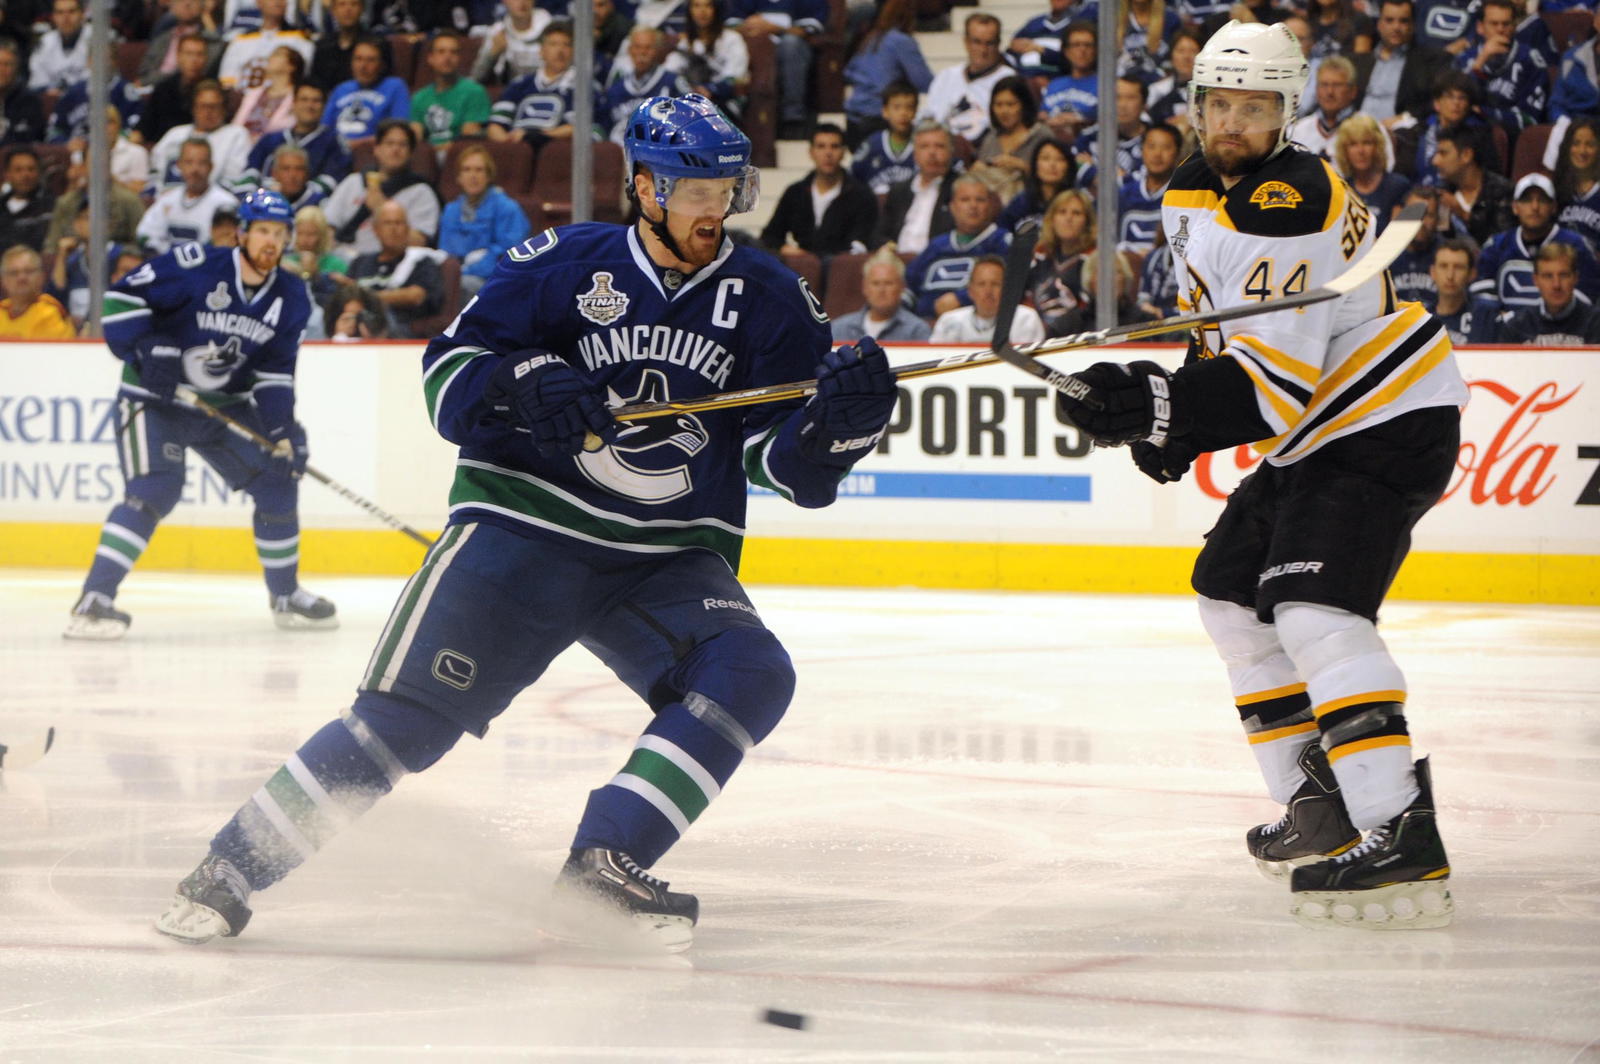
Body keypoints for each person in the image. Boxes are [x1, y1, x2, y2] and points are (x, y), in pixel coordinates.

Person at [153, 94, 899, 953]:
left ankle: (605, 862)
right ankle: (230, 867)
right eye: (699, 189)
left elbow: (782, 467)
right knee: (405, 723)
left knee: (751, 673)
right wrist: (518, 384)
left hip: (661, 559)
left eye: (730, 187)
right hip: (522, 530)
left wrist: (838, 429)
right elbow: (448, 378)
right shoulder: (564, 263)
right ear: (648, 188)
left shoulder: (773, 299)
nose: (719, 207)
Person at [1052, 20, 1463, 930]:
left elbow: (1271, 390)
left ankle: (1399, 827)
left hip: (1385, 421)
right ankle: (1319, 809)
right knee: (1231, 597)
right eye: (1219, 104)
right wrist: (1166, 423)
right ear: (1197, 108)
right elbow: (1223, 332)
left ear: (1286, 112)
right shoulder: (1194, 185)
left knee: (1315, 608)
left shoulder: (1289, 196)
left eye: (1255, 106)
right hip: (1319, 429)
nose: (1233, 121)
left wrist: (1158, 404)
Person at [65, 189, 336, 641]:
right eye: (263, 231)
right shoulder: (194, 266)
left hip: (222, 406)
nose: (271, 241)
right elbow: (118, 302)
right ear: (242, 234)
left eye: (279, 233)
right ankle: (95, 599)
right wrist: (148, 348)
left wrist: (281, 431)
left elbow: (274, 374)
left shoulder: (291, 296)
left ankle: (285, 595)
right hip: (153, 401)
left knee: (276, 478)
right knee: (155, 489)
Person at [1468, 172, 1600, 335]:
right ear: (1515, 207)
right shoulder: (1496, 246)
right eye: (1527, 200)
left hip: (1563, 333)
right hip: (1507, 334)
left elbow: (1586, 299)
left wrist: (1537, 322)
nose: (1535, 207)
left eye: (1542, 200)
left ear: (1553, 207)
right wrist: (1510, 322)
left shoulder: (1577, 245)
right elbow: (1482, 296)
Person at [322, 119, 441, 257]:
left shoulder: (421, 192)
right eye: (389, 143)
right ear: (377, 149)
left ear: (411, 153)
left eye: (402, 145)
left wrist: (380, 208)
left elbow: (419, 242)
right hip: (342, 258)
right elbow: (327, 227)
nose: (395, 149)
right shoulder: (353, 182)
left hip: (390, 262)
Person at [760, 123, 877, 260]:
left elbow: (862, 242)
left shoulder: (861, 195)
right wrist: (787, 249)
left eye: (834, 146)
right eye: (821, 146)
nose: (828, 153)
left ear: (843, 152)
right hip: (801, 268)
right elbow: (770, 236)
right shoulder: (795, 192)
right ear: (811, 152)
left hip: (841, 267)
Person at [904, 174, 1011, 320]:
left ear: (990, 206)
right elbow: (909, 283)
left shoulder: (1002, 242)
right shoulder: (937, 245)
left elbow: (1012, 286)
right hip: (924, 325)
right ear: (952, 207)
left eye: (980, 200)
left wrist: (961, 299)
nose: (973, 206)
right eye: (965, 199)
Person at [233, 81, 351, 206]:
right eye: (304, 100)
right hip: (263, 204)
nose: (309, 106)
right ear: (293, 103)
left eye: (316, 101)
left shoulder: (334, 143)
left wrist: (292, 201)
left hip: (307, 210)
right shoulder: (270, 139)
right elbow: (250, 174)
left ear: (324, 106)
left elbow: (329, 182)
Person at [437, 145, 531, 299]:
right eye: (467, 170)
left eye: (479, 170)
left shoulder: (508, 208)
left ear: (489, 176)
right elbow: (445, 253)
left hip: (495, 282)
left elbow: (511, 256)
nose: (473, 175)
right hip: (457, 276)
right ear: (458, 177)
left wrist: (467, 269)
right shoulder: (450, 210)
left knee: (461, 285)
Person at [343, 200, 445, 337]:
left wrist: (365, 296)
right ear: (375, 229)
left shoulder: (421, 261)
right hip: (355, 329)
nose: (393, 229)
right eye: (387, 223)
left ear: (408, 229)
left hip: (400, 332)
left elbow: (416, 296)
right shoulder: (360, 262)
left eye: (399, 223)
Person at [727, 0, 828, 140]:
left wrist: (774, 28)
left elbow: (809, 28)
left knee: (790, 45)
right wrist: (749, 28)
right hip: (753, 41)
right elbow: (730, 23)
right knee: (736, 45)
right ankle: (735, 112)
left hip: (793, 46)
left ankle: (793, 118)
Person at [841, 0, 931, 149]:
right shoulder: (902, 41)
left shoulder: (870, 40)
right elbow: (924, 82)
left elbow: (848, 73)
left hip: (852, 122)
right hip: (879, 121)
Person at [1454, 0, 1547, 138]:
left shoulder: (1531, 60)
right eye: (1494, 23)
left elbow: (1530, 118)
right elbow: (1454, 103)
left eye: (1506, 24)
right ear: (1480, 27)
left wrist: (1486, 113)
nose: (1500, 29)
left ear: (1514, 26)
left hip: (1512, 137)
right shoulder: (1465, 59)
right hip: (1467, 134)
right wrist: (1480, 62)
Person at [1351, 0, 1450, 129]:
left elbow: (1438, 100)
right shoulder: (1361, 61)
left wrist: (1405, 117)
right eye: (1389, 20)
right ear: (1379, 24)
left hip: (1400, 133)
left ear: (1413, 25)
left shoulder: (1430, 61)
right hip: (1356, 131)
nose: (1396, 27)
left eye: (1403, 21)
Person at [490, 21, 586, 150]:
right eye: (553, 44)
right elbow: (495, 125)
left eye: (566, 45)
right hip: (517, 149)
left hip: (553, 152)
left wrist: (535, 137)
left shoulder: (581, 86)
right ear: (541, 51)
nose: (560, 50)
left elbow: (577, 128)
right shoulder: (520, 84)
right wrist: (509, 145)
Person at [918, 12, 1010, 147]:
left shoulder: (1008, 80)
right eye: (976, 42)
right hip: (942, 149)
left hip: (985, 150)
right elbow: (929, 118)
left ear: (998, 44)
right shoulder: (946, 77)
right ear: (966, 42)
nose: (982, 50)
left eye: (989, 43)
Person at [137, 138, 241, 255]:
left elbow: (226, 245)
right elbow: (145, 233)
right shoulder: (167, 199)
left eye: (201, 163)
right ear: (179, 165)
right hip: (167, 266)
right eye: (189, 162)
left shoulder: (226, 204)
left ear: (211, 166)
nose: (195, 169)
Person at [148, 81, 254, 191]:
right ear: (194, 108)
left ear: (224, 109)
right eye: (203, 106)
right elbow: (155, 171)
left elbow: (233, 178)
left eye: (213, 106)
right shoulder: (175, 134)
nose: (208, 112)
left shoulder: (236, 134)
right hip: (168, 198)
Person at [872, 119, 959, 255]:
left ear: (951, 151)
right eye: (924, 146)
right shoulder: (899, 190)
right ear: (915, 154)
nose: (932, 153)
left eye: (940, 146)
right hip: (897, 261)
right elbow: (879, 235)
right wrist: (888, 246)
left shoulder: (959, 188)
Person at [1494, 241, 1600, 344]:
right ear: (1536, 280)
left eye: (1563, 275)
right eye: (1548, 276)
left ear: (1575, 278)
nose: (1556, 285)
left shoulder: (1596, 323)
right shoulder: (1516, 327)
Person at [600, 26, 692, 143]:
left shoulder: (673, 82)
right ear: (629, 50)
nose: (642, 53)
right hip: (620, 154)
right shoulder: (615, 89)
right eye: (637, 47)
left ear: (658, 50)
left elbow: (690, 117)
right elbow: (603, 126)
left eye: (648, 48)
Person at [929, 254, 1046, 344]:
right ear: (970, 291)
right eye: (981, 284)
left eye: (995, 284)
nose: (988, 291)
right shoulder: (949, 321)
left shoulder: (1025, 319)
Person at [969, 75, 1051, 205]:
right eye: (998, 105)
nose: (1004, 111)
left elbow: (1056, 177)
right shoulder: (990, 138)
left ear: (1024, 105)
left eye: (1011, 104)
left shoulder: (1042, 135)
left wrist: (1024, 167)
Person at [410, 30, 492, 156]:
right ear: (430, 58)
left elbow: (468, 140)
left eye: (453, 52)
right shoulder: (419, 97)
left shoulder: (474, 92)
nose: (447, 57)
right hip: (427, 158)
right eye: (441, 52)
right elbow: (415, 138)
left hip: (459, 156)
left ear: (459, 58)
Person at [1027, 188, 1096, 335]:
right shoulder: (1040, 254)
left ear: (1088, 221)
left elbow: (1091, 310)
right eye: (1062, 212)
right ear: (1052, 219)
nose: (1068, 218)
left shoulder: (1094, 259)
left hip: (1077, 336)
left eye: (1076, 213)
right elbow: (1024, 297)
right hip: (1035, 333)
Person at [324, 37, 412, 149]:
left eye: (371, 60)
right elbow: (325, 129)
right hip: (335, 155)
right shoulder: (341, 89)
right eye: (358, 59)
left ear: (382, 65)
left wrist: (354, 145)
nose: (363, 66)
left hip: (372, 154)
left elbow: (398, 131)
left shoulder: (395, 87)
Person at [1432, 124, 1511, 246]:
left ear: (1466, 155)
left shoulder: (1502, 191)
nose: (1435, 161)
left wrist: (1464, 215)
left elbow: (1503, 244)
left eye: (1443, 153)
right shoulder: (1443, 192)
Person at [829, 246, 931, 341]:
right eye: (875, 283)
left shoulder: (917, 330)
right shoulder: (839, 328)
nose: (881, 290)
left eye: (888, 283)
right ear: (865, 287)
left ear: (902, 287)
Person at [1333, 113, 1411, 233]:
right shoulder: (1341, 191)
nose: (1361, 151)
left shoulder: (1397, 186)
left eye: (1367, 143)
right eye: (1353, 144)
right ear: (1344, 150)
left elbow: (1397, 238)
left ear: (1378, 147)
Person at [217, 0, 313, 93]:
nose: (278, 2)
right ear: (259, 2)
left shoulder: (300, 39)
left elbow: (302, 76)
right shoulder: (241, 40)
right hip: (241, 102)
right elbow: (227, 79)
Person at [141, 34, 216, 149]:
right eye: (189, 54)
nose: (194, 60)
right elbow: (144, 127)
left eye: (199, 54)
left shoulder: (213, 92)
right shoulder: (163, 89)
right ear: (178, 56)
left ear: (206, 59)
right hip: (162, 150)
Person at [1117, 123, 1181, 254]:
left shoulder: (1182, 196)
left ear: (1178, 153)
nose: (1157, 154)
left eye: (1166, 147)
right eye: (1151, 146)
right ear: (1142, 150)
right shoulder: (1124, 193)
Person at [850, 82, 919, 197]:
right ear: (885, 111)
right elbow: (853, 177)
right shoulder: (871, 145)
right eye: (897, 107)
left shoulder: (923, 144)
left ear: (916, 112)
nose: (903, 113)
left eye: (909, 107)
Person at [1288, 56, 1363, 161]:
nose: (1330, 92)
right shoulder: (1297, 131)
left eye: (1337, 85)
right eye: (1324, 85)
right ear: (1316, 90)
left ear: (1353, 91)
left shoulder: (1369, 130)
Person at [997, 138, 1075, 235]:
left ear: (1069, 166)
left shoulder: (1077, 202)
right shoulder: (1021, 202)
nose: (1052, 164)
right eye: (1045, 158)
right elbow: (1003, 232)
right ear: (1035, 165)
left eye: (1060, 159)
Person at [0, 245, 75, 338]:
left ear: (41, 277)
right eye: (14, 273)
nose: (21, 278)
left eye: (28, 271)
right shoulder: (1, 311)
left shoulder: (50, 313)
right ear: (3, 280)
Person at [282, 204, 348, 311]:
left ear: (322, 236)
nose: (304, 240)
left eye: (311, 234)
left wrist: (315, 275)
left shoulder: (337, 264)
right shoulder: (286, 263)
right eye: (300, 233)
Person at [232, 44, 303, 141]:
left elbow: (292, 124)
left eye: (277, 54)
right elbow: (237, 124)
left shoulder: (298, 96)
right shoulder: (254, 93)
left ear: (291, 66)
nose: (270, 58)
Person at [472, 0, 550, 86]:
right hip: (510, 90)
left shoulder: (551, 30)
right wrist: (492, 54)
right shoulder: (498, 32)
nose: (522, 2)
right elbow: (476, 77)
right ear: (504, 1)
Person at [1554, 116, 1600, 255]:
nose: (1582, 151)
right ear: (1567, 147)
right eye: (1576, 143)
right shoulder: (1556, 190)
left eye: (1590, 144)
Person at [0, 148, 55, 253]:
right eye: (18, 170)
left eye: (31, 169)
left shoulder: (51, 206)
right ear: (7, 174)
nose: (25, 175)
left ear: (39, 172)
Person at [28, 0, 90, 92]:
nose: (66, 17)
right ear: (53, 16)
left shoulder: (96, 38)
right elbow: (37, 80)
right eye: (60, 12)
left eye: (71, 11)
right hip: (53, 100)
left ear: (82, 14)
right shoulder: (46, 41)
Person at [1424, 236, 1474, 344]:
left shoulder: (1483, 316)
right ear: (1432, 272)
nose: (1450, 276)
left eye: (1459, 267)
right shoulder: (1422, 319)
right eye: (1443, 266)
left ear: (1471, 274)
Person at [0, 41, 44, 149]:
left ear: (16, 68)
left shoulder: (30, 100)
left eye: (7, 64)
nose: (2, 70)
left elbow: (26, 138)